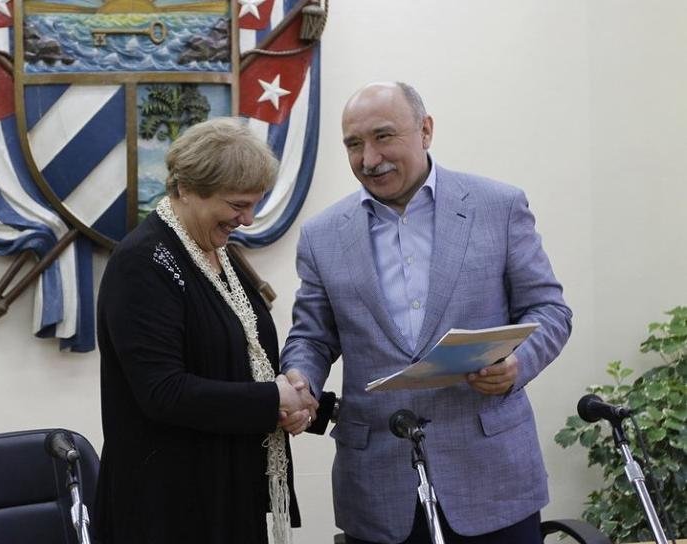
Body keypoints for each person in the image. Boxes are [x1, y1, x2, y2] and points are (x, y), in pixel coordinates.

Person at [279, 82, 573, 544]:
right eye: (354, 144)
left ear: (426, 130)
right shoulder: (321, 235)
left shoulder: (498, 207)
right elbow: (311, 337)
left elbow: (550, 309)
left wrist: (518, 364)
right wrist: (300, 380)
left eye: (383, 136)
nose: (369, 158)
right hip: (377, 486)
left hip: (493, 478)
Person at [94, 117, 316, 544]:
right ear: (186, 189)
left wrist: (297, 397)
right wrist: (272, 399)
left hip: (224, 491)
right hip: (168, 507)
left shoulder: (215, 252)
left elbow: (237, 361)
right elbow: (163, 391)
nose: (247, 220)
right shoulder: (142, 262)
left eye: (254, 205)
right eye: (237, 205)